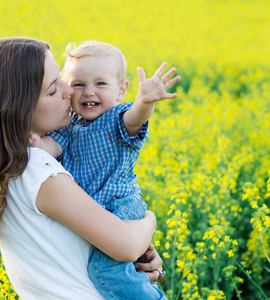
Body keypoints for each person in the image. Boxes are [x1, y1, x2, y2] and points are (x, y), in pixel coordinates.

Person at [0, 37, 164, 299]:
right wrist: (148, 221)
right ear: (19, 106)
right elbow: (125, 245)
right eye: (54, 89)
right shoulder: (39, 170)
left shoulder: (10, 164)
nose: (70, 91)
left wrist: (138, 259)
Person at [31, 41, 179, 299]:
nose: (89, 92)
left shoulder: (115, 118)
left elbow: (134, 120)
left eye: (100, 84)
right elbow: (49, 147)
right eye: (79, 84)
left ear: (121, 91)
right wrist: (33, 142)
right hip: (99, 213)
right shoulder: (69, 127)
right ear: (68, 89)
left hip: (120, 206)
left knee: (106, 270)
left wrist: (144, 102)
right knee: (120, 269)